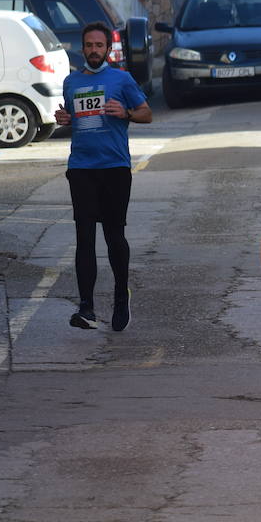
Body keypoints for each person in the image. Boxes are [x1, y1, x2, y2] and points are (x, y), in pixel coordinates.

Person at [53, 22, 153, 332]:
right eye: (89, 45)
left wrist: (125, 113)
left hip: (114, 168)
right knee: (84, 238)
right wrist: (65, 119)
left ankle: (121, 298)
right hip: (81, 167)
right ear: (82, 48)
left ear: (108, 50)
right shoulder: (71, 82)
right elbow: (73, 117)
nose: (94, 50)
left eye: (99, 46)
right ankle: (86, 308)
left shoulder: (121, 79)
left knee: (113, 237)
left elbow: (147, 113)